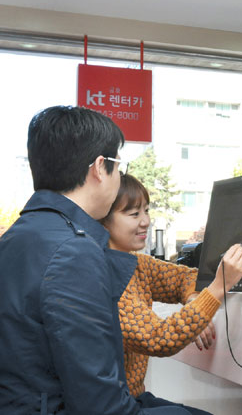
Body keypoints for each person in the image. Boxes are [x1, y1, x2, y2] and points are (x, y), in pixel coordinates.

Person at [0, 106, 189, 414]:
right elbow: (101, 404)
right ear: (100, 168)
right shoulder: (73, 251)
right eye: (118, 167)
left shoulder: (17, 236)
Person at [100, 174, 242, 413]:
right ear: (104, 220)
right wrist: (218, 288)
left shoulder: (137, 263)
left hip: (134, 397)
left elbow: (184, 277)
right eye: (134, 214)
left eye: (146, 211)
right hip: (114, 407)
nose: (145, 221)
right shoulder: (106, 274)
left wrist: (193, 298)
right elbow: (159, 338)